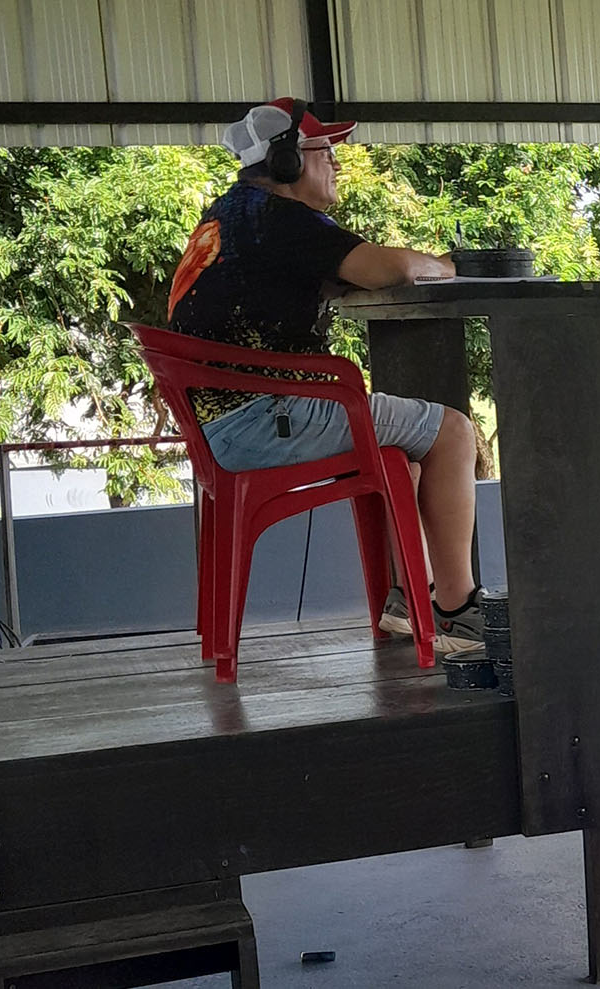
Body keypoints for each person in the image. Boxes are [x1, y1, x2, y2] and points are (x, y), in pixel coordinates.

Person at [165, 98, 486, 653]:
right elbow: (394, 268)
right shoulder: (282, 220)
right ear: (288, 161)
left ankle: (409, 600)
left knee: (405, 460)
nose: (337, 162)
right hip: (266, 417)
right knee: (453, 431)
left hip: (225, 423)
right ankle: (457, 608)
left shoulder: (227, 216)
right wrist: (457, 266)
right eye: (325, 150)